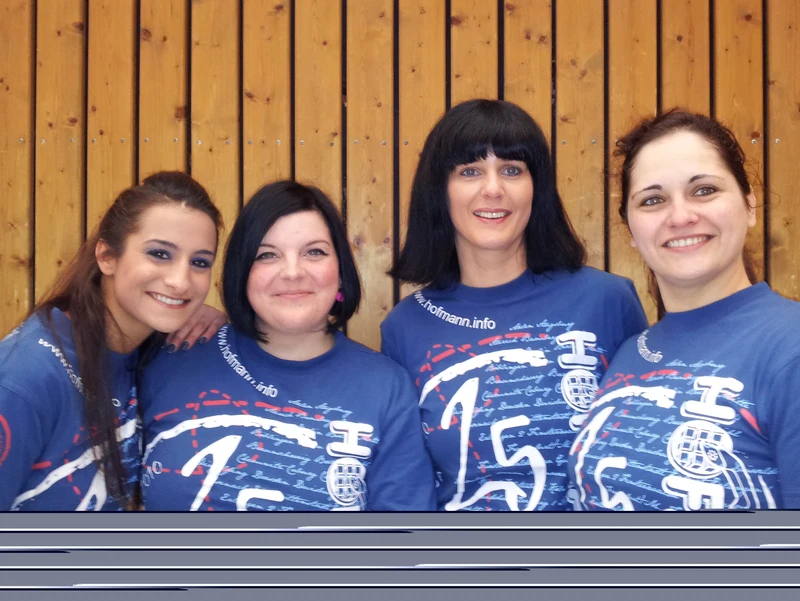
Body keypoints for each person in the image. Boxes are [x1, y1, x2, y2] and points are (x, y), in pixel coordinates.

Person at [381, 99, 648, 511]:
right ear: (440, 191)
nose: (493, 189)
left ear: (536, 188)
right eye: (470, 171)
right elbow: (409, 488)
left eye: (511, 170)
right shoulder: (406, 325)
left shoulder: (607, 300)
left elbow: (643, 453)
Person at [140, 181, 436, 511]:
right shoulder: (172, 356)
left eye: (314, 252)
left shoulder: (386, 387)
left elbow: (402, 534)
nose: (292, 272)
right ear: (242, 273)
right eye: (267, 255)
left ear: (340, 271)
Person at [567, 109, 800, 511]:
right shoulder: (630, 352)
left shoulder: (790, 348)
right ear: (631, 231)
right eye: (653, 200)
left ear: (749, 204)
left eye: (704, 190)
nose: (680, 216)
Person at [0, 171, 222, 510]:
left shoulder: (149, 348)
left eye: (199, 262)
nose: (181, 281)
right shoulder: (24, 379)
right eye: (160, 254)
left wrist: (219, 318)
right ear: (107, 256)